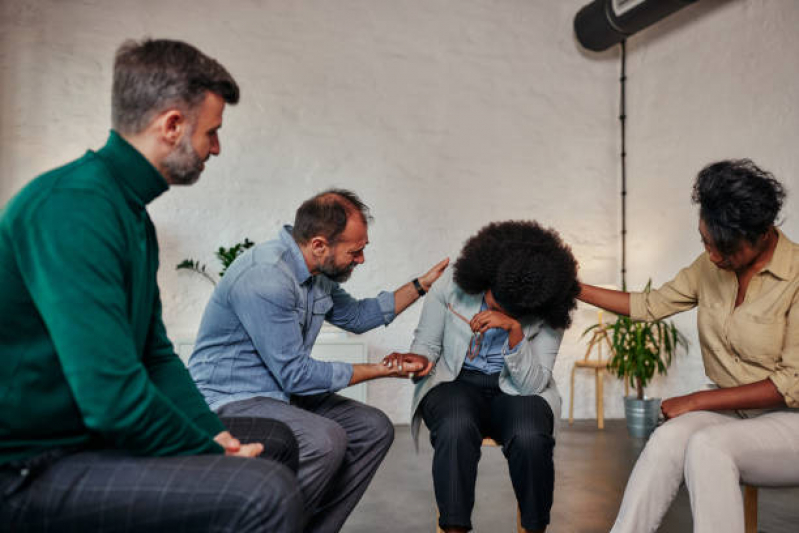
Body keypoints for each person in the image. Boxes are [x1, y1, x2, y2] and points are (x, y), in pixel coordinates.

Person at [0, 39, 303, 532]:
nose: (217, 148)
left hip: (82, 440)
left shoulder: (129, 213)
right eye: (213, 132)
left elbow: (156, 356)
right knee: (263, 493)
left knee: (277, 442)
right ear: (172, 125)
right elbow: (112, 399)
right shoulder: (74, 207)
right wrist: (207, 451)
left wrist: (215, 438)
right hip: (26, 469)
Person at [188, 188, 449, 533]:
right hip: (233, 397)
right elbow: (296, 375)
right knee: (323, 439)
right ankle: (265, 525)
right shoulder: (267, 276)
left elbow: (357, 316)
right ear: (319, 245)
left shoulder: (316, 276)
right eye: (355, 252)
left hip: (280, 393)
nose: (361, 260)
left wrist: (421, 285)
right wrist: (386, 370)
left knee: (373, 429)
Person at [579, 159, 799, 533]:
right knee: (668, 439)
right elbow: (649, 306)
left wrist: (697, 400)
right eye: (706, 243)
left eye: (725, 249)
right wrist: (573, 287)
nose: (713, 257)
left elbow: (789, 384)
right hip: (735, 413)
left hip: (790, 421)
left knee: (709, 447)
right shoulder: (710, 266)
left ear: (762, 234)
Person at [386, 220, 580, 533]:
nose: (497, 308)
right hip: (456, 382)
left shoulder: (549, 306)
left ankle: (534, 528)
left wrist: (514, 330)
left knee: (531, 436)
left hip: (518, 389)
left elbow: (533, 383)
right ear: (485, 277)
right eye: (494, 300)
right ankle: (454, 528)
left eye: (513, 310)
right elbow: (427, 343)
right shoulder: (450, 284)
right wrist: (419, 358)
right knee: (455, 427)